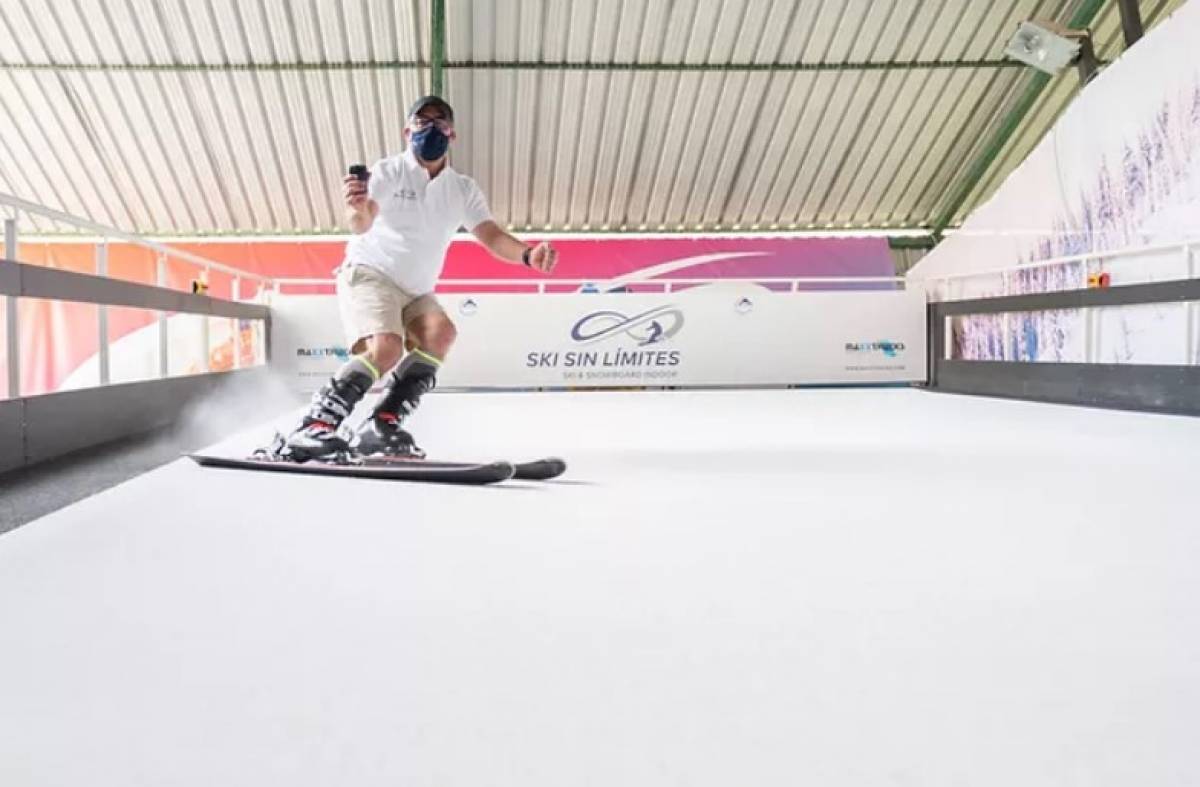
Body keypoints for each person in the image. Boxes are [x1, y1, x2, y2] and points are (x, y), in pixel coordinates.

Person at [285, 95, 558, 460]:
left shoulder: (461, 189)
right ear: (407, 131)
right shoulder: (388, 171)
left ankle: (382, 424)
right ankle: (315, 426)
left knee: (441, 333)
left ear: (452, 133)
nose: (430, 129)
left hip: (416, 289)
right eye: (421, 122)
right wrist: (356, 209)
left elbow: (491, 235)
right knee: (386, 348)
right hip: (371, 272)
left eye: (439, 122)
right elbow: (361, 223)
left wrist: (527, 254)